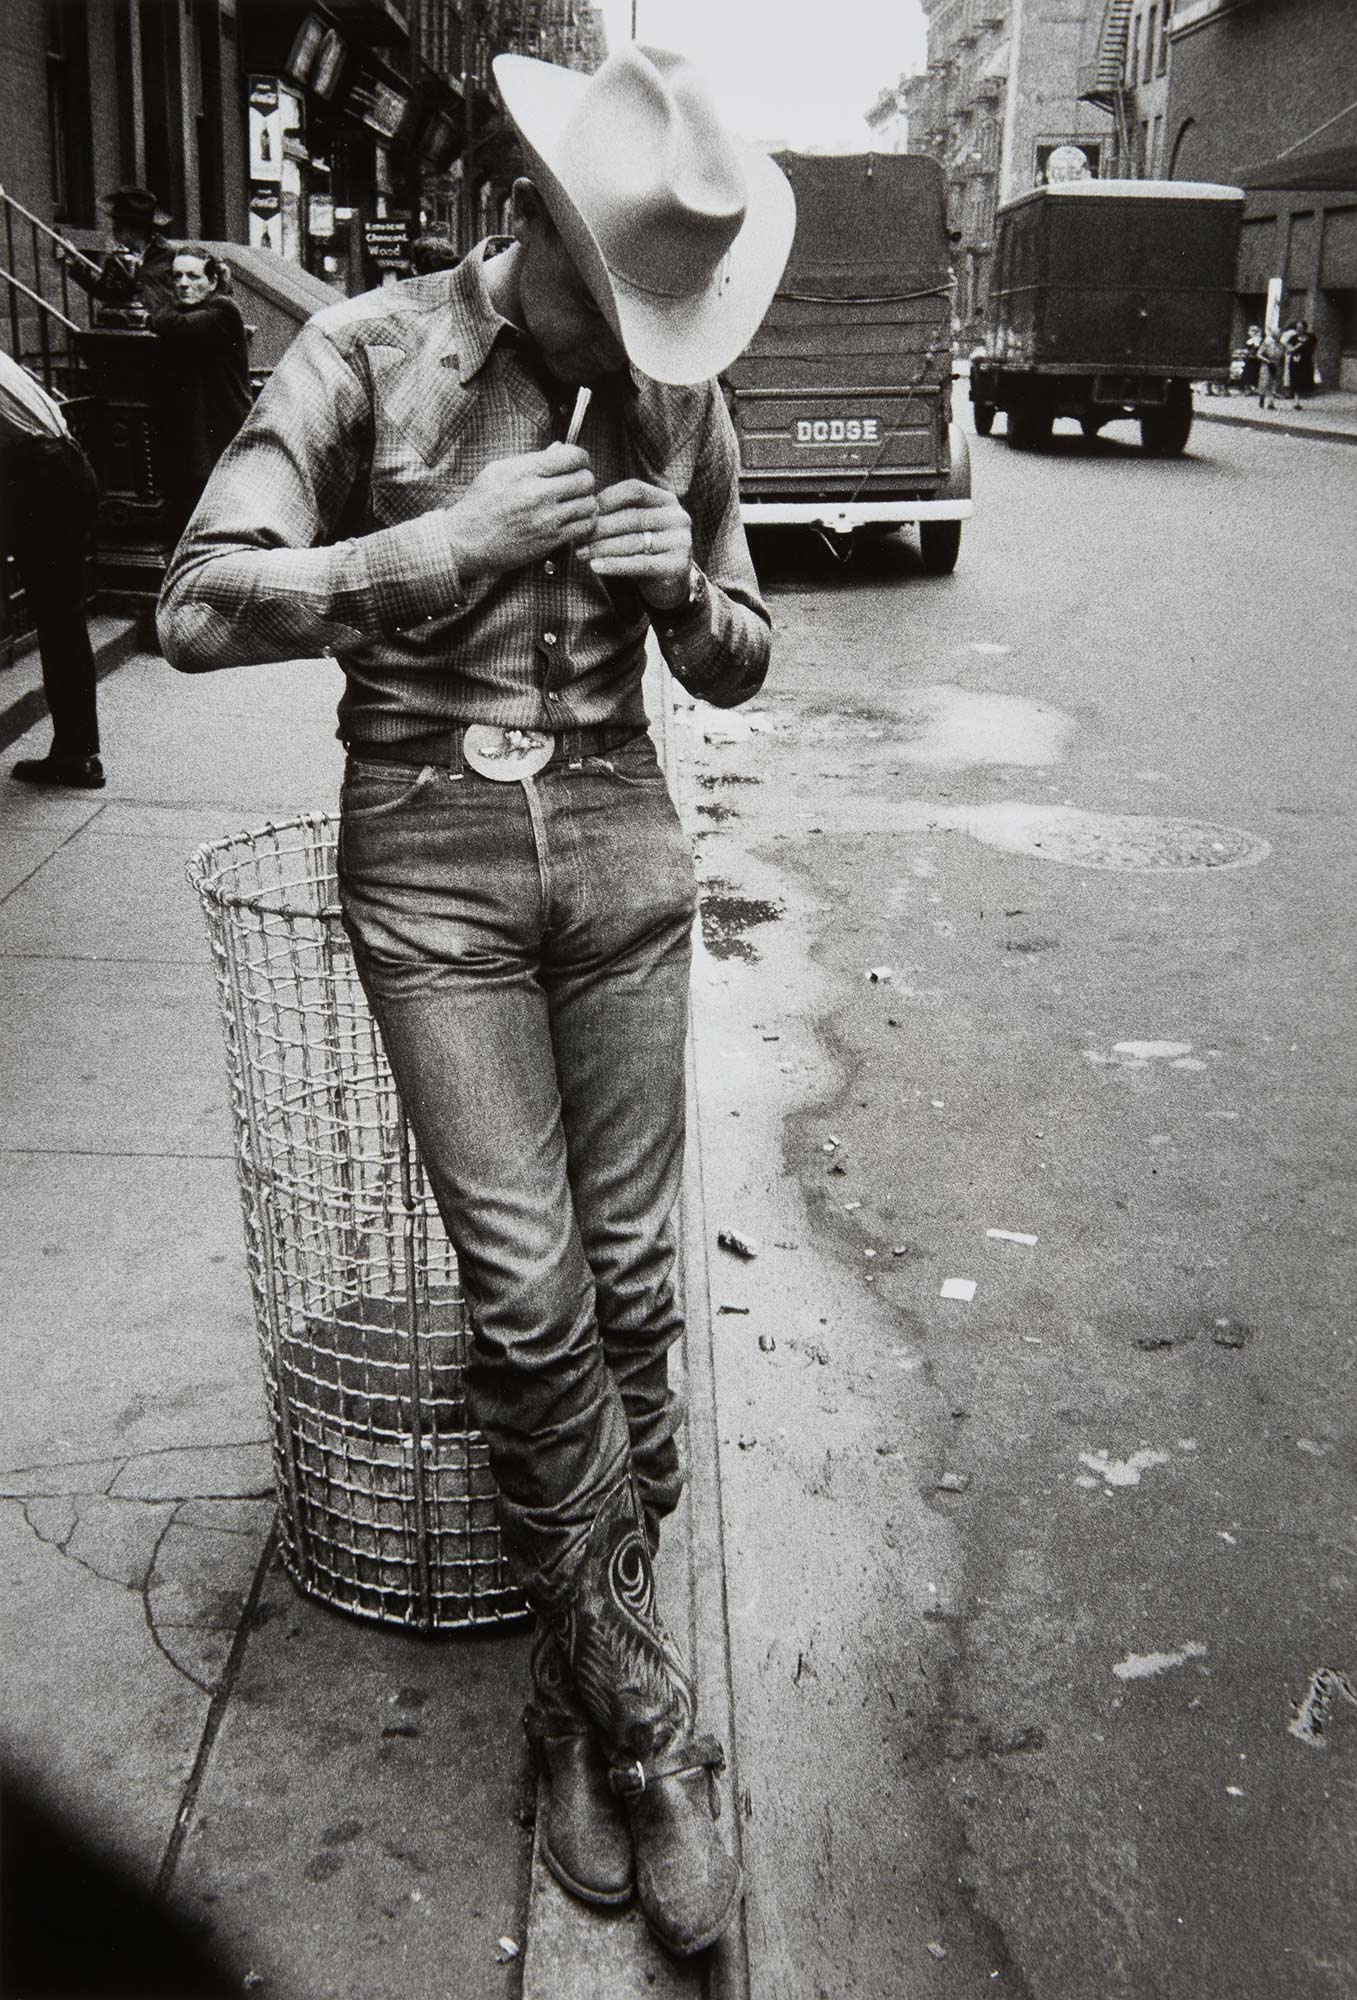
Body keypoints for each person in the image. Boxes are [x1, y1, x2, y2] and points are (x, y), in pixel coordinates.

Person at [158, 45, 794, 1958]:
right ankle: (654, 1728)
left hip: (619, 842)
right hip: (428, 842)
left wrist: (686, 592)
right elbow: (197, 599)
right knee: (523, 1295)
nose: (648, 341)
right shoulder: (359, 354)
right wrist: (430, 553)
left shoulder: (681, 400)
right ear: (532, 220)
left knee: (631, 1287)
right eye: (624, 293)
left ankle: (581, 1695)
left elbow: (749, 655)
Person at [1, 351, 104, 788]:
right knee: (63, 622)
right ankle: (77, 753)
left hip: (40, 476)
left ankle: (77, 754)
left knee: (58, 620)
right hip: (63, 466)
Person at [146, 246, 252, 540]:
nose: (182, 283)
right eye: (177, 276)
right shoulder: (188, 311)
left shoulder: (223, 310)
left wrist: (157, 309)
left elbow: (172, 325)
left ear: (213, 281)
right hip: (191, 439)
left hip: (221, 434)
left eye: (193, 276)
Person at [57, 186, 176, 322]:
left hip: (160, 329)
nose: (114, 231)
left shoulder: (168, 254)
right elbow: (103, 291)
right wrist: (76, 262)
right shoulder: (118, 258)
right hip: (127, 327)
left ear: (137, 229)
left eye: (119, 226)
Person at [1282, 318, 1318, 408]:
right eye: (1297, 327)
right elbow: (1289, 350)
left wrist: (1315, 360)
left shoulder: (1311, 337)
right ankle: (1296, 402)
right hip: (1295, 362)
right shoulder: (1293, 338)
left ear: (1305, 328)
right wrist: (1296, 348)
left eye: (1301, 327)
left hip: (1306, 362)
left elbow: (1314, 349)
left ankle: (1302, 396)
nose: (1299, 329)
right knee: (1295, 380)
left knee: (1305, 379)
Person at [1256, 325, 1283, 410]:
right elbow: (1258, 354)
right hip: (1267, 365)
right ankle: (1262, 397)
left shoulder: (1282, 346)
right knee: (1265, 382)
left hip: (1276, 365)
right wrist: (1266, 360)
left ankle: (1271, 402)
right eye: (1277, 334)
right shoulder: (1267, 344)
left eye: (1280, 334)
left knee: (1274, 384)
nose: (1278, 336)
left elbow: (1283, 356)